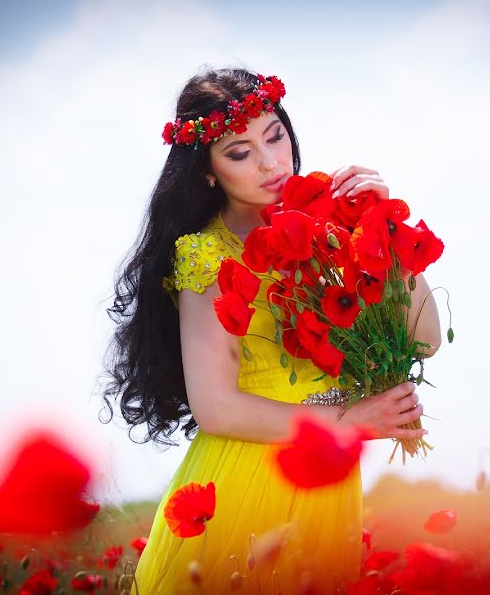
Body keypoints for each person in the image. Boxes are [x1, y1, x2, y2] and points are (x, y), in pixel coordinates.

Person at [100, 66, 442, 594]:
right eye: (240, 152)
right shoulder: (208, 256)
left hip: (325, 480)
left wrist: (381, 227)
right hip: (248, 480)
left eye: (275, 136)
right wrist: (353, 420)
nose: (270, 162)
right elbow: (217, 407)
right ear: (208, 172)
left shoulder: (330, 222)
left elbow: (423, 340)